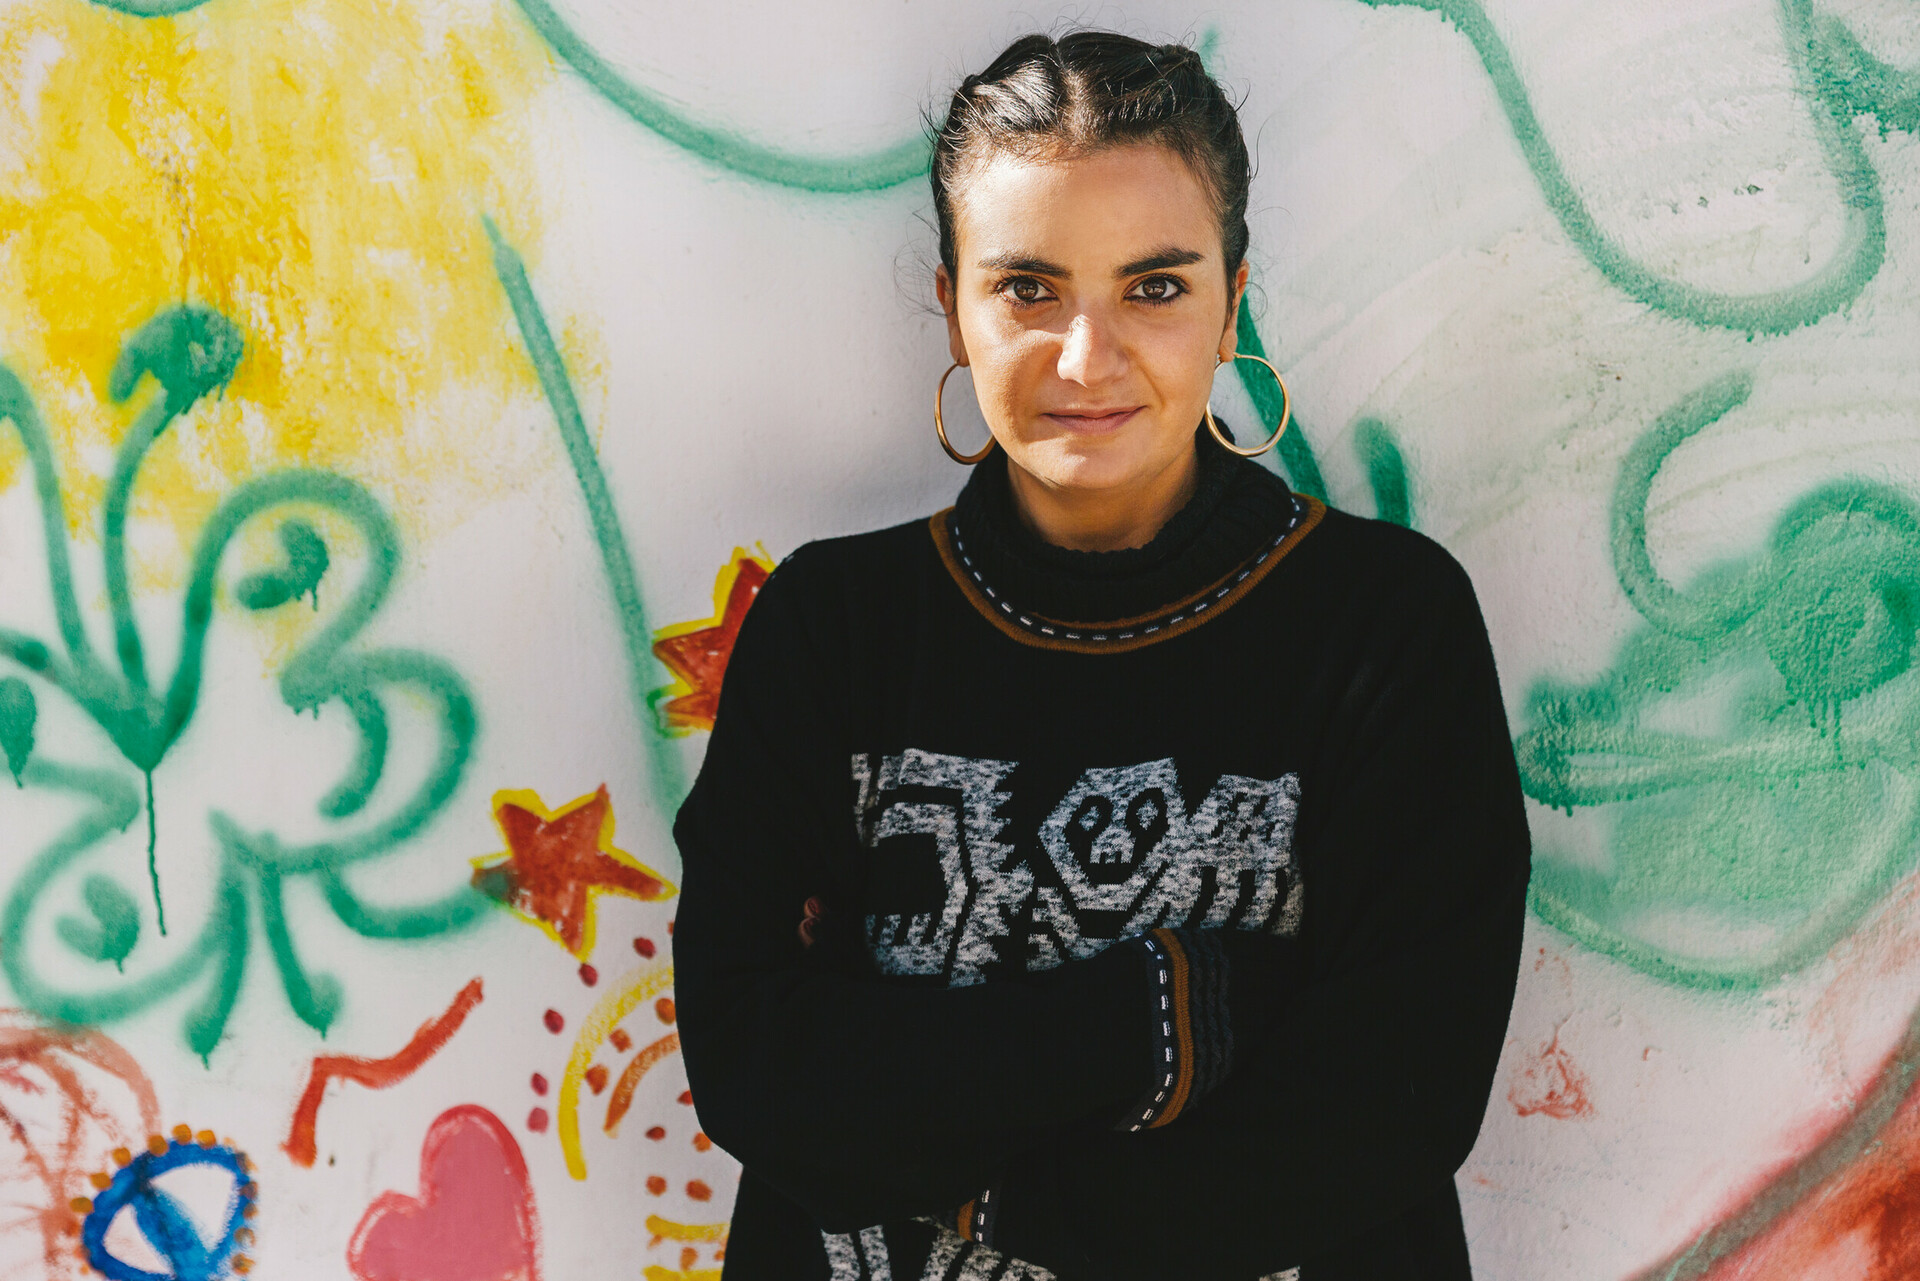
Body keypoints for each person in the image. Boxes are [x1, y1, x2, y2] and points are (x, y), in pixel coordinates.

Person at [672, 29, 1531, 1281]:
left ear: (1233, 300)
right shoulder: (833, 630)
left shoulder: (1383, 628)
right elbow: (757, 1069)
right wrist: (1167, 1015)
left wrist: (956, 1165)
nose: (1088, 358)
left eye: (1156, 287)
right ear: (953, 307)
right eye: (1028, 289)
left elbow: (1384, 1115)